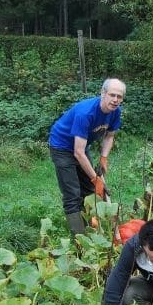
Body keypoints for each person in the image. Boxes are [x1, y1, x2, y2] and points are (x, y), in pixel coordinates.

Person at [49, 78, 126, 235]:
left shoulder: (115, 112)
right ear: (103, 93)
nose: (115, 100)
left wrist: (103, 157)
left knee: (89, 189)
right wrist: (95, 178)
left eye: (119, 96)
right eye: (112, 95)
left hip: (82, 147)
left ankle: (88, 226)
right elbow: (78, 152)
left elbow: (109, 136)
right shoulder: (86, 112)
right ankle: (80, 239)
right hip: (62, 146)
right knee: (73, 194)